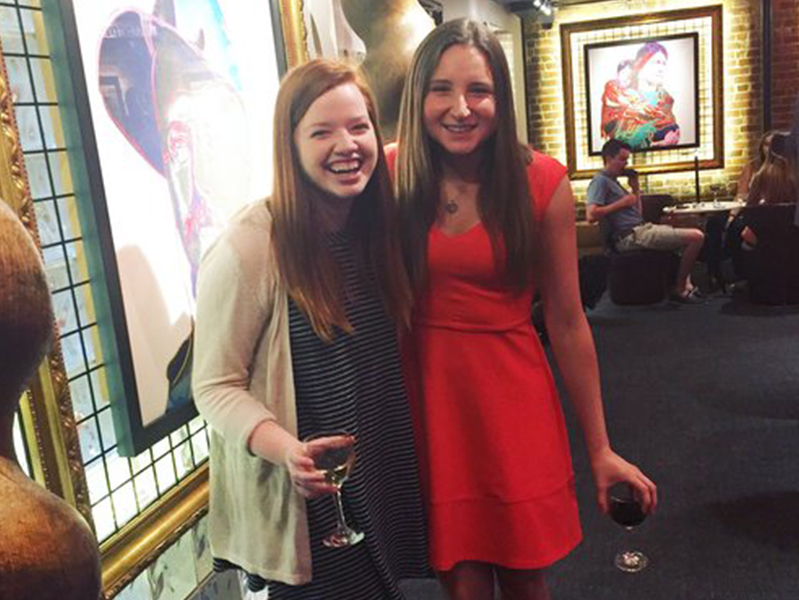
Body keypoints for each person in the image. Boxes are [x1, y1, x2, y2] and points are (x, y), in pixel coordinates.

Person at [391, 19, 657, 600]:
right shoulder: (391, 173)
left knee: (525, 580)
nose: (460, 107)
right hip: (431, 405)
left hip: (512, 404)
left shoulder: (540, 181)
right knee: (458, 582)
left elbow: (566, 321)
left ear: (500, 98)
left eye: (478, 90)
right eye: (441, 89)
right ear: (419, 96)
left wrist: (600, 447)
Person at [192, 59, 427, 599]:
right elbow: (214, 385)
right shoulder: (251, 246)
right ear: (290, 144)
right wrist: (285, 450)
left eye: (358, 126)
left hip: (376, 474)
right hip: (309, 499)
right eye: (322, 131)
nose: (346, 144)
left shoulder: (375, 230)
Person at [587, 138, 705, 303]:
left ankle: (685, 284)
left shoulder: (614, 183)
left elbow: (638, 215)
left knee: (691, 228)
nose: (625, 164)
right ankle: (680, 288)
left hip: (641, 229)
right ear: (608, 158)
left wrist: (635, 189)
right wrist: (621, 203)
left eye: (627, 160)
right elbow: (591, 215)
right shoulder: (600, 181)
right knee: (696, 236)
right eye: (622, 159)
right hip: (629, 236)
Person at [612, 42, 680, 150]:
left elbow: (672, 131)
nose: (661, 69)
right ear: (641, 65)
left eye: (664, 63)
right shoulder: (626, 99)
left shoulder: (666, 99)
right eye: (656, 62)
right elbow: (621, 142)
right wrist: (659, 144)